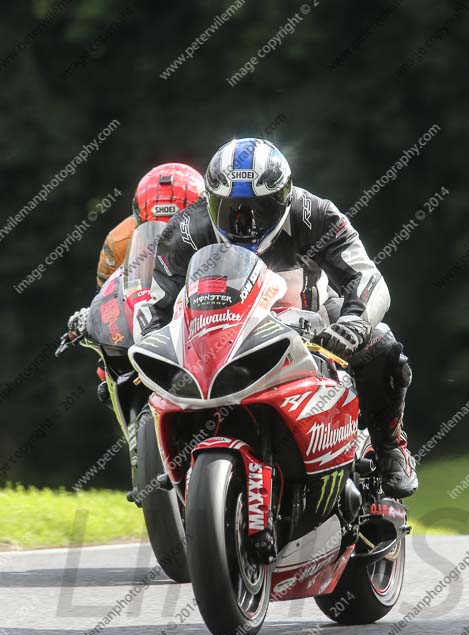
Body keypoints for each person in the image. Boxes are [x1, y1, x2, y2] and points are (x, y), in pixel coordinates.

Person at [136, 139, 418, 499]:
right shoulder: (186, 231)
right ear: (210, 201)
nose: (244, 222)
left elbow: (366, 276)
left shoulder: (314, 213)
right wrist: (151, 341)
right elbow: (156, 301)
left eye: (259, 208)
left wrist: (353, 323)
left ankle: (390, 446)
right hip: (220, 330)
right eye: (231, 209)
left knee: (383, 345)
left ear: (283, 198)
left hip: (313, 317)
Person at [66, 163, 205, 397]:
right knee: (106, 370)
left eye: (176, 228)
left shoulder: (216, 231)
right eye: (159, 228)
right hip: (146, 315)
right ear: (140, 220)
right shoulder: (119, 241)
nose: (168, 239)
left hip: (199, 310)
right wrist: (91, 317)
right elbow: (109, 293)